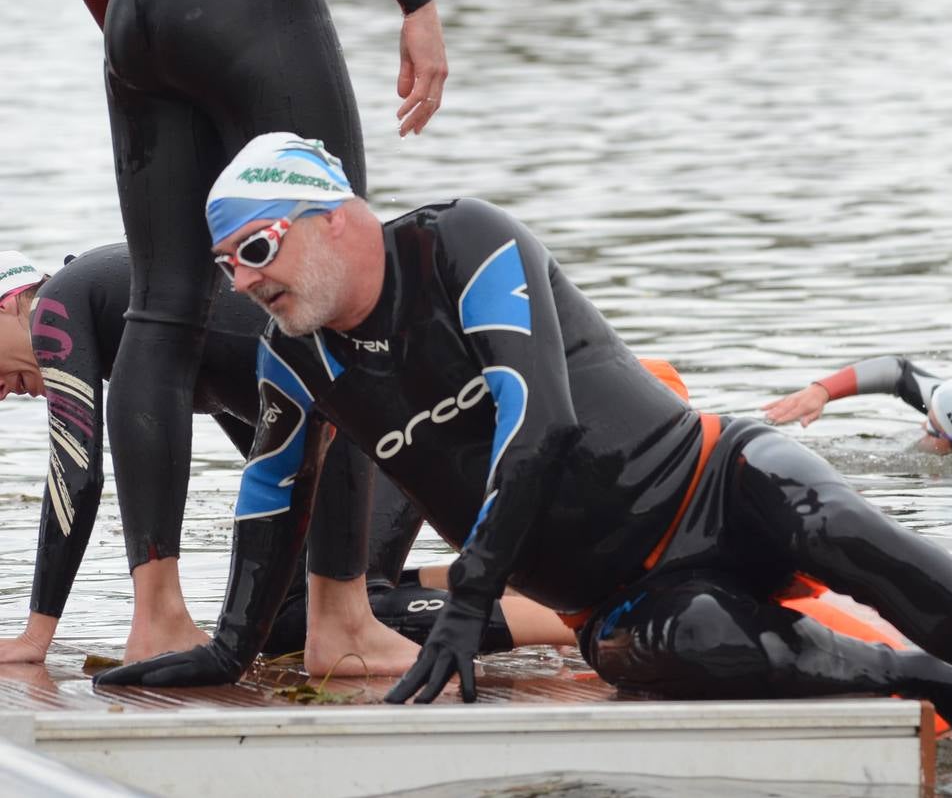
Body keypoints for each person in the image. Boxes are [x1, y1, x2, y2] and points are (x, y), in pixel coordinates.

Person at [99, 133, 952, 786]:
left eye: (254, 251)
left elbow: (542, 419)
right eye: (222, 268)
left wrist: (470, 599)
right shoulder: (300, 356)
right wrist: (232, 645)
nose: (242, 285)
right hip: (613, 600)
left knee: (842, 529)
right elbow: (272, 491)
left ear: (332, 220)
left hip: (710, 482)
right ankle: (916, 678)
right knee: (684, 649)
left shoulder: (460, 242)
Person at [44, 0, 448, 669]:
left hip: (138, 16)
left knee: (159, 313)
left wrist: (137, 18)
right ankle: (341, 620)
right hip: (257, 0)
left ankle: (156, 617)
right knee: (345, 307)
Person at [0, 246, 562, 671]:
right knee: (283, 611)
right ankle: (496, 582)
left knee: (311, 617)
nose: (2, 394)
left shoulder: (56, 307)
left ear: (9, 304)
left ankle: (565, 623)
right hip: (394, 424)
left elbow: (74, 473)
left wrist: (35, 636)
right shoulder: (131, 316)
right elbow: (268, 444)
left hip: (392, 428)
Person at [763, 356, 952, 455]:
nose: (922, 425)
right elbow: (897, 371)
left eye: (933, 430)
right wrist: (821, 391)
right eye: (930, 416)